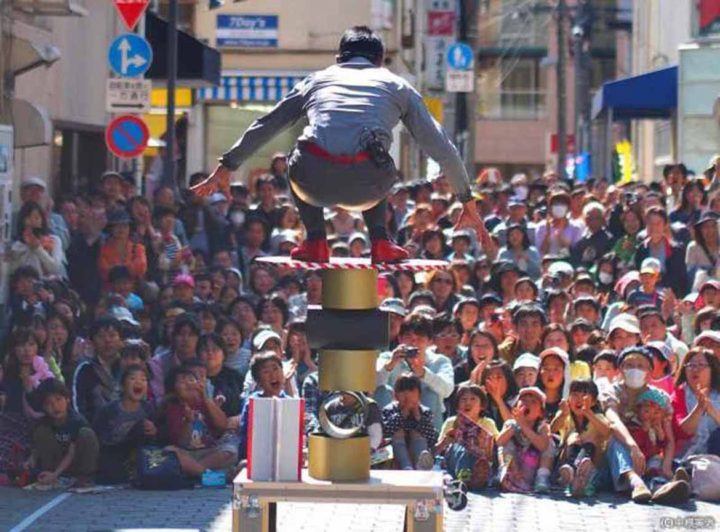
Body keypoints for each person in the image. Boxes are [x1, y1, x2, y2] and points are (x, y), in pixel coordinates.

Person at [192, 26, 484, 263]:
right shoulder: (397, 85)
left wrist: (227, 166)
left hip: (312, 181)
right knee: (377, 154)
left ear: (338, 58)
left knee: (300, 151)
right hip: (369, 184)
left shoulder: (316, 80)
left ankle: (316, 241)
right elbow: (443, 148)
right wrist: (466, 200)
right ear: (380, 60)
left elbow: (268, 124)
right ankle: (381, 242)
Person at [376, 314, 454, 431]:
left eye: (420, 338)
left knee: (431, 393)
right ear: (400, 339)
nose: (414, 342)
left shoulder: (440, 361)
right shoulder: (387, 358)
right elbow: (370, 384)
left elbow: (447, 390)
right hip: (393, 418)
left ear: (429, 341)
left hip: (425, 422)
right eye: (409, 337)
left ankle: (430, 445)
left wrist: (423, 373)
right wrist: (390, 365)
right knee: (382, 390)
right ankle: (382, 440)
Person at [161, 367, 237, 479]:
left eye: (191, 380)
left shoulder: (206, 404)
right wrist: (188, 422)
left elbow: (222, 425)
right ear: (173, 388)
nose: (188, 384)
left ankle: (194, 472)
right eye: (182, 381)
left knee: (231, 451)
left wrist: (205, 397)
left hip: (208, 452)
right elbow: (181, 443)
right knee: (169, 451)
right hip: (186, 454)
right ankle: (213, 476)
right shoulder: (172, 408)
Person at [93, 365, 156, 483]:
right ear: (122, 385)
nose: (138, 382)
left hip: (138, 455)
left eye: (143, 379)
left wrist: (154, 431)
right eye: (133, 379)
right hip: (114, 453)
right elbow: (99, 439)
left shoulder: (148, 409)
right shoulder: (109, 410)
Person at [31, 379, 99, 487]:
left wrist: (56, 474)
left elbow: (71, 453)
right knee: (41, 431)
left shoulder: (77, 421)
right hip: (56, 463)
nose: (55, 406)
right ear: (43, 407)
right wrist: (31, 461)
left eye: (59, 400)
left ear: (67, 399)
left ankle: (84, 477)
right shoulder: (44, 423)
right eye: (49, 403)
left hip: (75, 462)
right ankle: (48, 473)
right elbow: (36, 448)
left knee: (87, 433)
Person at [552, 379, 611, 497]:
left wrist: (588, 412)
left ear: (593, 401)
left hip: (594, 465)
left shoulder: (596, 416)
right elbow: (552, 429)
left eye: (584, 395)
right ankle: (571, 472)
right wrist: (563, 414)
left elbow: (606, 432)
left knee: (589, 440)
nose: (579, 399)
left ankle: (580, 476)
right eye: (574, 395)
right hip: (567, 459)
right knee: (573, 437)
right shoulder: (566, 414)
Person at [435, 383, 497, 489]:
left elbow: (496, 447)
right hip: (454, 459)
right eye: (463, 399)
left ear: (481, 405)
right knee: (461, 450)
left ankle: (473, 479)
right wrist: (447, 440)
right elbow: (438, 450)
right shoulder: (451, 422)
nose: (468, 403)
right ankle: (463, 479)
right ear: (458, 405)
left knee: (478, 458)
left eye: (473, 399)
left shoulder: (488, 423)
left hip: (479, 459)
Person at [497, 386, 552, 493]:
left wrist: (524, 426)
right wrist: (516, 424)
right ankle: (504, 471)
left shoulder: (542, 427)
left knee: (550, 443)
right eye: (523, 401)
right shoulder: (510, 424)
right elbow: (499, 442)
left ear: (540, 412)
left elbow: (542, 446)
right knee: (506, 445)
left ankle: (542, 477)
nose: (527, 404)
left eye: (533, 402)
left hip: (531, 466)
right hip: (513, 466)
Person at [382, 373, 437, 470]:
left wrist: (417, 416)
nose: (407, 395)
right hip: (395, 453)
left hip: (418, 450)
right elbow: (386, 431)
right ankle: (406, 467)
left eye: (411, 390)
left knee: (417, 434)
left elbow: (431, 438)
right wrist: (403, 414)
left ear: (419, 394)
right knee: (398, 433)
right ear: (395, 395)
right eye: (402, 391)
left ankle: (421, 466)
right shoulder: (389, 410)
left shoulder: (425, 412)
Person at [671, 348, 720, 457]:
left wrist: (710, 409)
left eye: (701, 365)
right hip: (688, 454)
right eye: (691, 365)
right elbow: (684, 431)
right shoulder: (679, 394)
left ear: (713, 369)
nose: (695, 369)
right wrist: (699, 408)